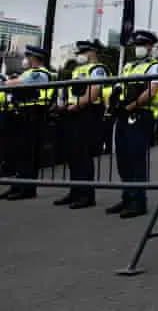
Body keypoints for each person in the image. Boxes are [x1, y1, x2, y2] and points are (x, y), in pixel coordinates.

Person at [107, 30, 158, 218]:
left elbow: (152, 91)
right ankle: (127, 197)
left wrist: (131, 106)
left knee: (136, 159)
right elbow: (118, 87)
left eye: (143, 44)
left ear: (150, 47)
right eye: (137, 44)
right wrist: (114, 102)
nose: (139, 48)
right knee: (123, 158)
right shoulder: (128, 66)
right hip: (124, 115)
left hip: (141, 115)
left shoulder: (155, 67)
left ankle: (138, 202)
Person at [55, 39, 108, 209]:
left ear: (93, 52)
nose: (81, 55)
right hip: (73, 113)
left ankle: (86, 195)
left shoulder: (97, 69)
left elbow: (93, 93)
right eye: (80, 53)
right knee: (73, 154)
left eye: (84, 52)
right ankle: (75, 191)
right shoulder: (77, 70)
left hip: (87, 113)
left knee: (84, 154)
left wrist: (75, 106)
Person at [0, 46, 53, 201]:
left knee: (27, 154)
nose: (25, 59)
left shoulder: (39, 74)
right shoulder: (28, 73)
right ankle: (16, 186)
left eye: (28, 56)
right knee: (19, 153)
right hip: (22, 115)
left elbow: (14, 84)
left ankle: (27, 189)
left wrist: (6, 80)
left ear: (34, 58)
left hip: (33, 116)